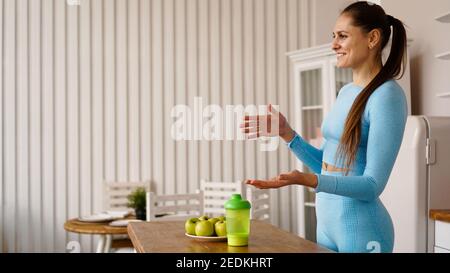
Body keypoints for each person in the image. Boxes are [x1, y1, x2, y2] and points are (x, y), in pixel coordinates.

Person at [241, 1, 408, 253]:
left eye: (342, 36)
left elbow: (372, 184)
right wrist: (287, 133)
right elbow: (328, 166)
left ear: (373, 38)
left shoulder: (387, 96)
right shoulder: (346, 92)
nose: (333, 44)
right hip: (327, 221)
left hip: (362, 229)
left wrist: (306, 180)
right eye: (333, 36)